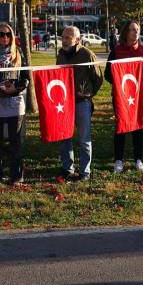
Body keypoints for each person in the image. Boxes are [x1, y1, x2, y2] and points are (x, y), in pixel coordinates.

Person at [0, 23, 29, 185]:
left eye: (8, 35)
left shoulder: (19, 53)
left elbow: (26, 78)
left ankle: (17, 176)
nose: (5, 38)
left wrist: (16, 87)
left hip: (15, 101)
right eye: (1, 34)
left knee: (15, 141)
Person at [55, 26, 102, 181]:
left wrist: (89, 93)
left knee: (84, 139)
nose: (65, 40)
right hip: (64, 104)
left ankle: (84, 171)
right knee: (64, 137)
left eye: (68, 37)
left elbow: (97, 78)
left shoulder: (87, 55)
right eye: (63, 37)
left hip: (82, 103)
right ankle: (67, 168)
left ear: (77, 39)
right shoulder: (61, 54)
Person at [108, 21, 143, 173]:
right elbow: (107, 73)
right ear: (125, 32)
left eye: (137, 29)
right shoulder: (116, 51)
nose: (135, 32)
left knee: (138, 126)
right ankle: (118, 160)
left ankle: (139, 159)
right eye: (132, 30)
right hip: (121, 96)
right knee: (121, 127)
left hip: (138, 96)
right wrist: (118, 83)